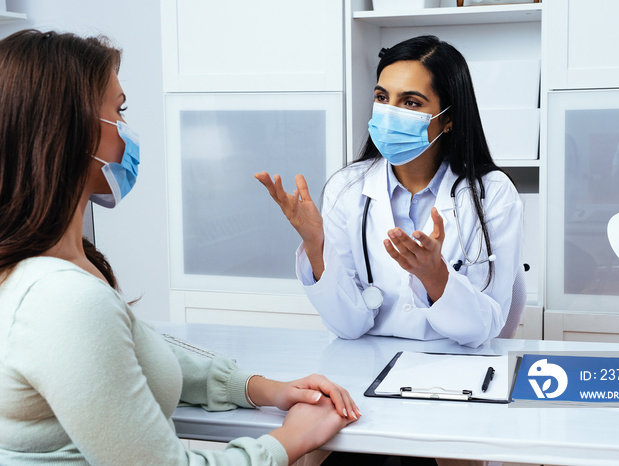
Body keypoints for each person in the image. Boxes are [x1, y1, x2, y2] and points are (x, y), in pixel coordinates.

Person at [0, 29, 360, 465]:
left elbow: (128, 355)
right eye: (120, 111)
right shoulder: (63, 299)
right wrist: (290, 440)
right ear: (69, 131)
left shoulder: (59, 266)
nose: (128, 133)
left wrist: (259, 388)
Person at [255, 35, 523, 348]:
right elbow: (349, 325)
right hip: (364, 365)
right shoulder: (347, 188)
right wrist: (316, 247)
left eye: (410, 102)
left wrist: (433, 274)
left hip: (454, 367)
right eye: (382, 98)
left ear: (448, 119)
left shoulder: (491, 194)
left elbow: (484, 327)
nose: (390, 113)